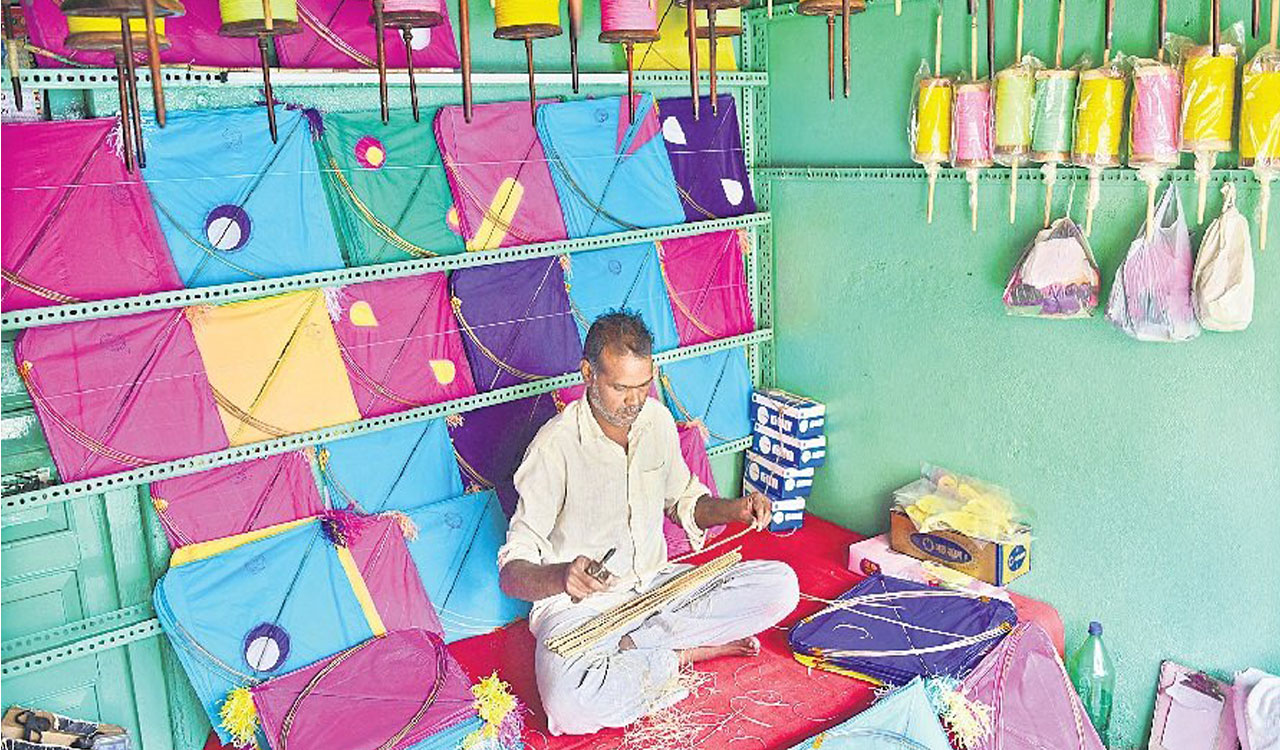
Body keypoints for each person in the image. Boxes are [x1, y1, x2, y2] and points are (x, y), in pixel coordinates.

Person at [497, 310, 801, 735]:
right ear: (588, 373)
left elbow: (685, 502)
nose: (634, 401)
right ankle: (678, 654)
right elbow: (512, 574)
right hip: (582, 611)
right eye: (620, 388)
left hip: (660, 589)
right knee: (567, 705)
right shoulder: (555, 447)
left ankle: (641, 647)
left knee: (782, 585)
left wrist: (733, 510)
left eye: (643, 385)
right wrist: (564, 576)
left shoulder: (655, 421)